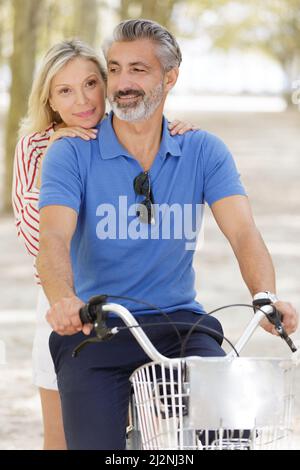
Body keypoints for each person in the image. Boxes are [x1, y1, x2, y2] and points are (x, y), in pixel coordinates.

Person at [36, 20, 298, 450]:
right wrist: (64, 300)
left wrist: (264, 294)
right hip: (97, 326)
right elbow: (54, 240)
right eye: (115, 69)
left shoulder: (202, 149)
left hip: (182, 323)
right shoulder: (72, 151)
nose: (122, 83)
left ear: (170, 76)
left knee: (229, 434)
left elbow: (243, 231)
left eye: (138, 70)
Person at [12, 37, 196, 450]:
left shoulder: (135, 133)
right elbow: (37, 237)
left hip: (140, 305)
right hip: (67, 303)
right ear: (50, 100)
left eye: (91, 83)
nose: (82, 100)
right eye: (64, 90)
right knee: (62, 436)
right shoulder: (37, 148)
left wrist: (176, 132)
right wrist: (58, 159)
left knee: (150, 434)